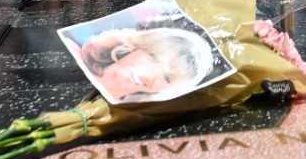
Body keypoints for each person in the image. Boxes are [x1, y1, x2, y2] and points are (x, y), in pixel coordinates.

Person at [76, 26, 215, 104]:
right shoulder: (76, 54)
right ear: (135, 46)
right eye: (154, 58)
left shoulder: (124, 116)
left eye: (167, 78)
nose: (151, 76)